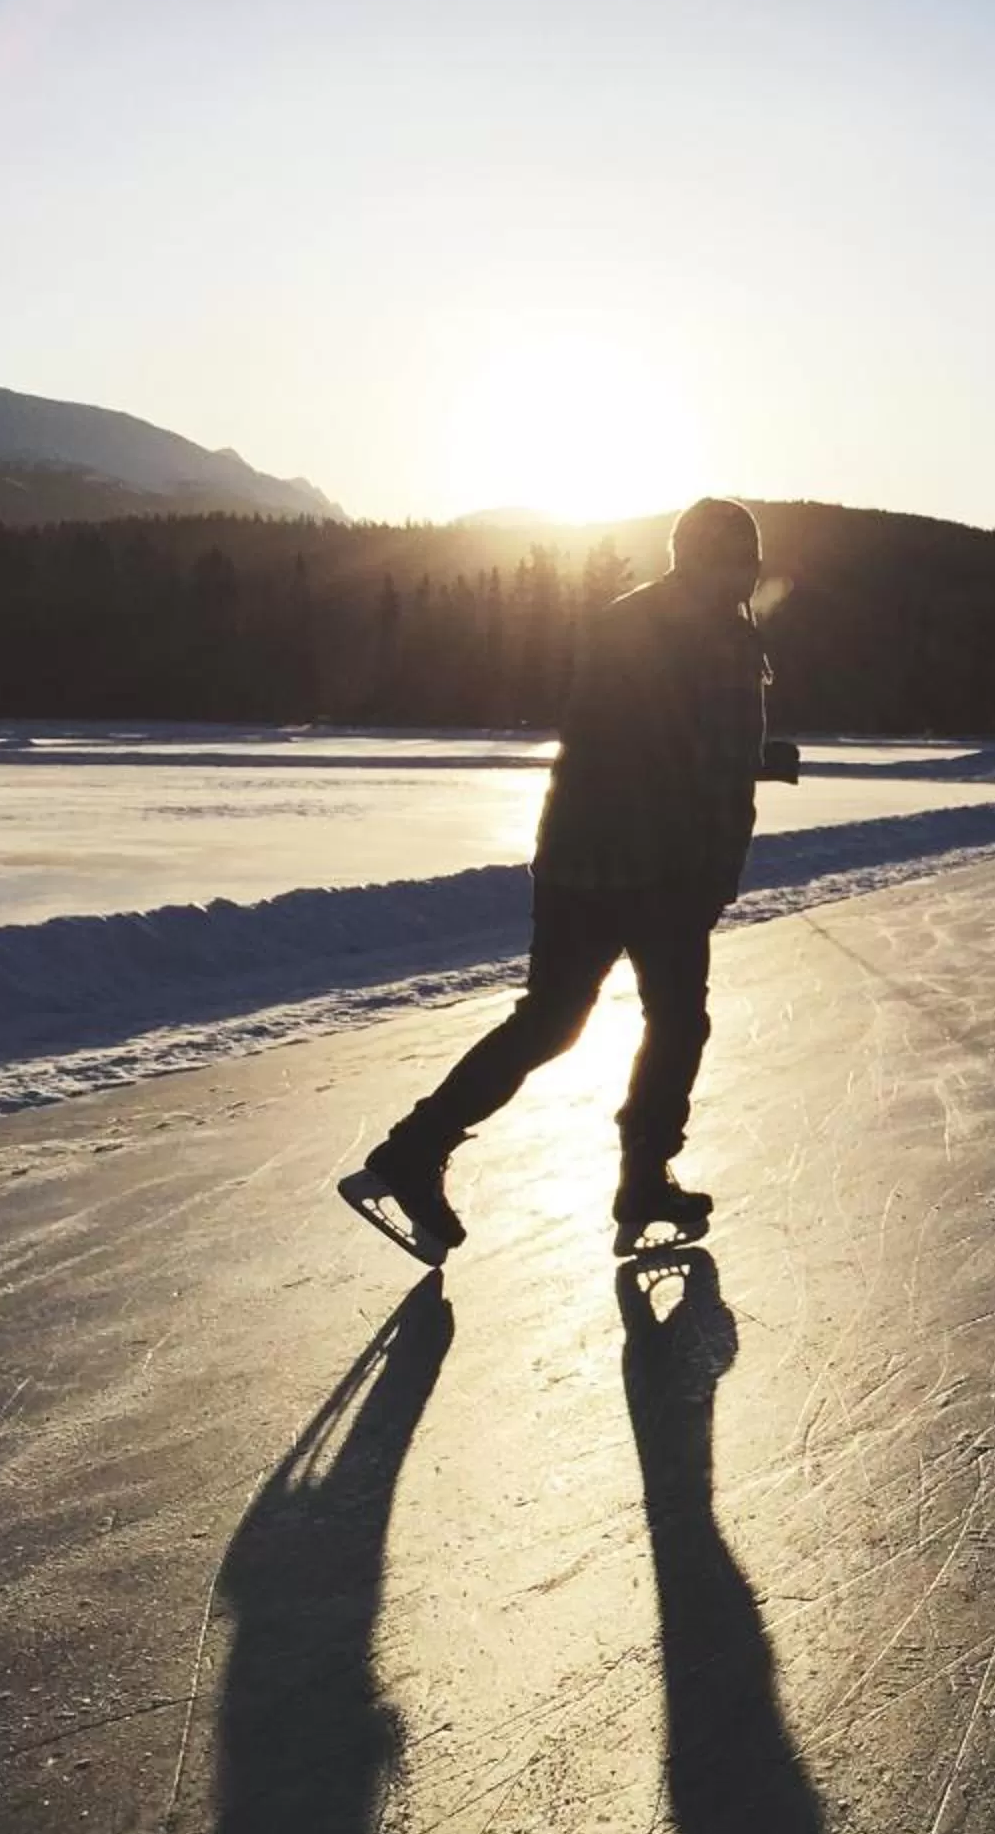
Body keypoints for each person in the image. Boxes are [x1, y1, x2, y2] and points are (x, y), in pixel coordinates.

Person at [339, 497, 797, 1264]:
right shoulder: (713, 633)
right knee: (676, 1022)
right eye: (738, 558)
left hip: (582, 857)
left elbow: (640, 735)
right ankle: (642, 1177)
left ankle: (412, 1151)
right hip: (658, 867)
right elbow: (680, 750)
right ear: (721, 560)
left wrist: (746, 760)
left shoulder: (641, 616)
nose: (744, 572)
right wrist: (733, 787)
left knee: (552, 1020)